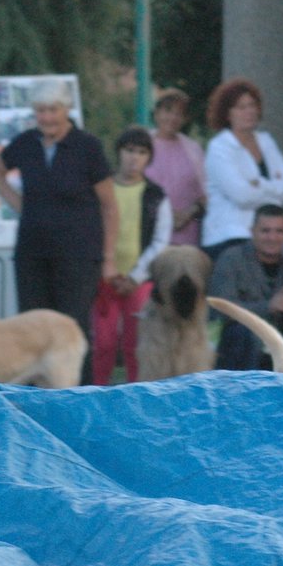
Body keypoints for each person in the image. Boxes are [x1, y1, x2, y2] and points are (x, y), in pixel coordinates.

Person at [0, 80, 118, 379]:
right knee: (32, 330)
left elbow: (109, 206)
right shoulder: (26, 143)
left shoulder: (88, 147)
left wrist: (108, 257)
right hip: (33, 253)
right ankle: (34, 401)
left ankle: (79, 399)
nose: (46, 117)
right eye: (41, 111)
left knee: (71, 329)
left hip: (79, 256)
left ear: (66, 110)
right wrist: (19, 204)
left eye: (53, 110)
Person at [91, 127, 171, 384]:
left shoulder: (156, 197)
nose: (134, 158)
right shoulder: (101, 190)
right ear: (118, 153)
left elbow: (160, 241)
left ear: (149, 158)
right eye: (129, 151)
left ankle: (137, 394)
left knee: (135, 343)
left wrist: (136, 277)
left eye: (141, 152)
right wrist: (105, 266)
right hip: (104, 278)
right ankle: (97, 392)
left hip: (139, 281)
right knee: (103, 342)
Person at [200, 78, 283, 261]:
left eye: (252, 105)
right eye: (241, 107)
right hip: (230, 237)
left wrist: (258, 184)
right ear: (227, 114)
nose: (249, 111)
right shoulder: (219, 147)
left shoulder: (266, 141)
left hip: (268, 237)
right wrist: (274, 189)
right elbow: (242, 196)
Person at [208, 204, 283, 370]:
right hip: (238, 352)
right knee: (242, 334)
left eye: (279, 231)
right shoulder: (231, 259)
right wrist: (268, 306)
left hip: (280, 352)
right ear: (252, 232)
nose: (272, 237)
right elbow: (221, 308)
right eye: (265, 231)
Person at [148, 88, 207, 246]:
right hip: (149, 234)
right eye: (168, 111)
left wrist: (189, 213)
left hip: (186, 236)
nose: (173, 117)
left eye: (179, 113)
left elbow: (206, 195)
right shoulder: (143, 144)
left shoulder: (194, 149)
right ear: (157, 113)